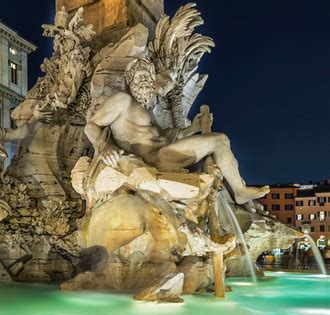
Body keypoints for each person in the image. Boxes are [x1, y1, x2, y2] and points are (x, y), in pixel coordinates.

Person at [84, 58, 269, 205]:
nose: (144, 81)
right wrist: (105, 145)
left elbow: (167, 136)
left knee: (221, 141)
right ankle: (240, 192)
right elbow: (91, 126)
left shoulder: (147, 111)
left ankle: (238, 191)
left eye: (147, 77)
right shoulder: (122, 100)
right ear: (130, 81)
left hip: (165, 154)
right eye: (139, 77)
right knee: (219, 140)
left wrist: (193, 128)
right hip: (154, 160)